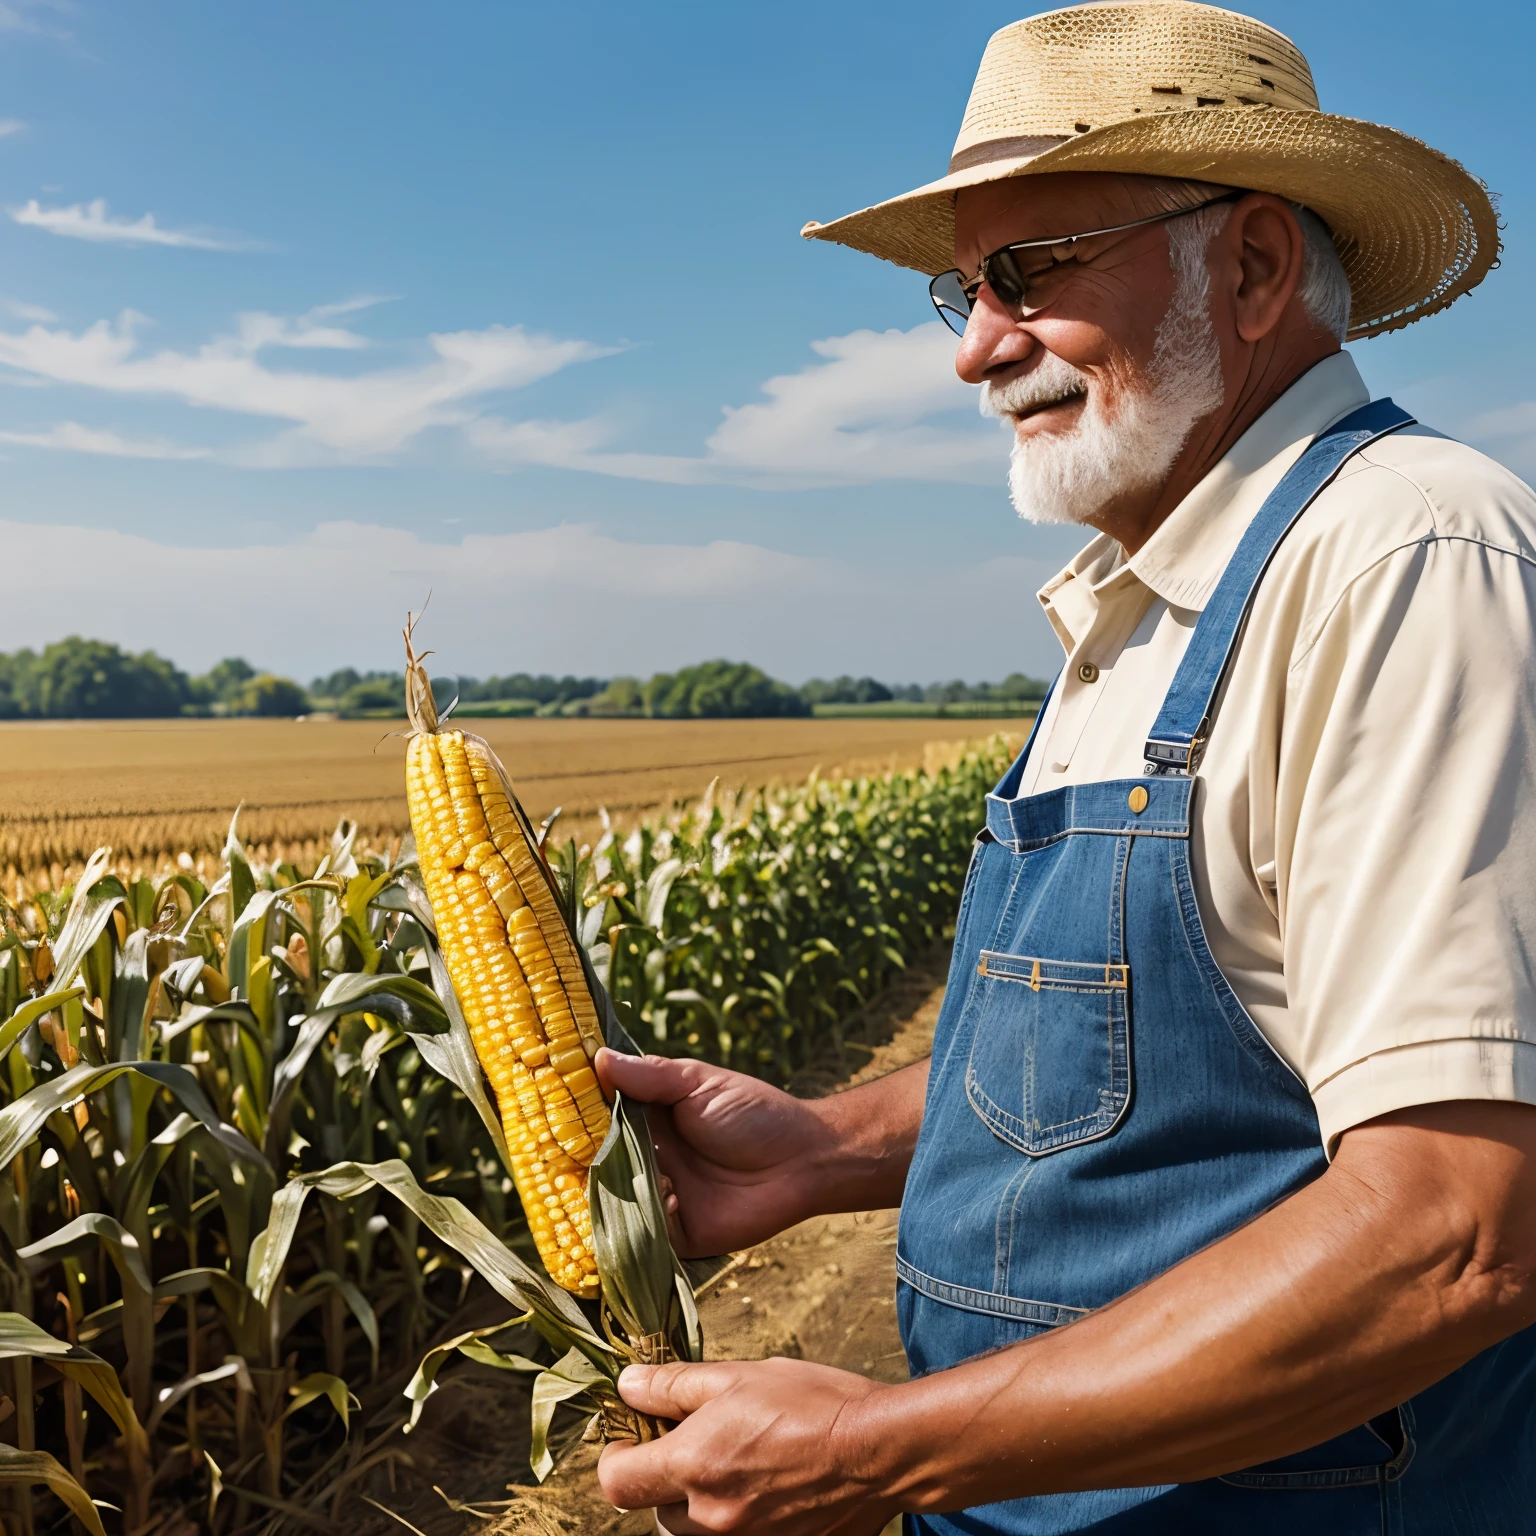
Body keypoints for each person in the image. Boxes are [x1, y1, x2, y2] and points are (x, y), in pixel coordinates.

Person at [594, 4, 1536, 1532]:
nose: (976, 348)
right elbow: (1175, 1060)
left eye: (1029, 274)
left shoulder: (1402, 560)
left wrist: (877, 1448)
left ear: (1250, 267)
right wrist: (818, 1151)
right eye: (961, 289)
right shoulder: (1146, 603)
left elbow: (1455, 1230)